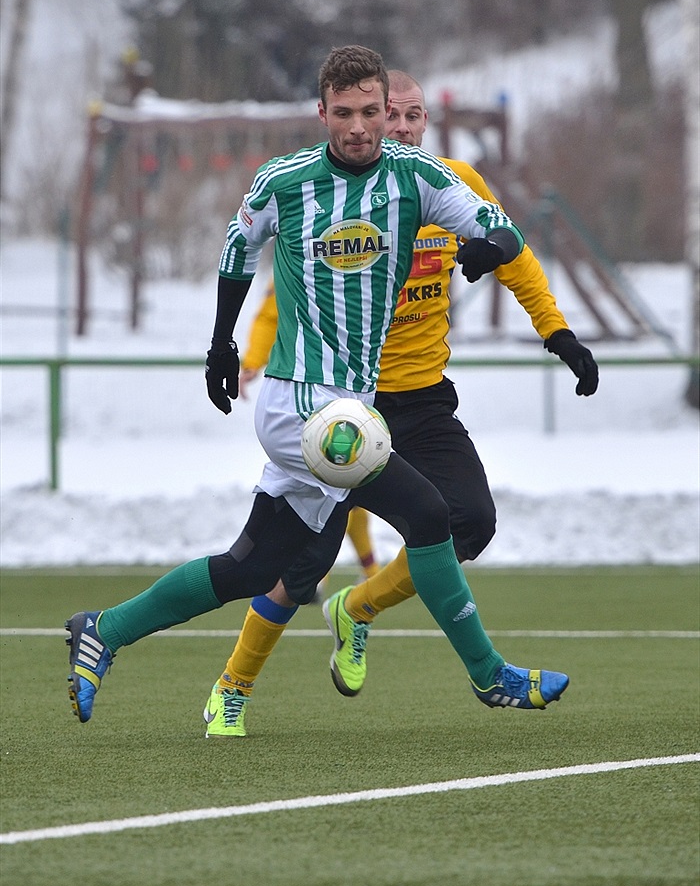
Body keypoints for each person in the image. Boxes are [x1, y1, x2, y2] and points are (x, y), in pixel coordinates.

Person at [65, 46, 572, 730]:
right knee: (428, 514)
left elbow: (496, 225)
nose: (361, 126)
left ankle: (104, 627)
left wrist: (491, 245)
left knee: (252, 567)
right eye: (346, 112)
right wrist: (222, 343)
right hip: (298, 402)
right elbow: (237, 247)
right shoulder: (286, 180)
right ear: (322, 111)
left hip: (350, 408)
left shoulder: (416, 176)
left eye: (372, 111)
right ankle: (490, 678)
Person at [201, 70, 598, 737]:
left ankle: (358, 607)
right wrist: (247, 356)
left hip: (420, 403)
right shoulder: (344, 193)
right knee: (300, 564)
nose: (406, 126)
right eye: (396, 115)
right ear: (371, 119)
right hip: (340, 406)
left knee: (469, 520)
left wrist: (555, 330)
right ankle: (232, 686)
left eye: (416, 115)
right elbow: (283, 293)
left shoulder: (446, 182)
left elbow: (516, 257)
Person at [239, 281, 379, 586]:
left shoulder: (383, 252)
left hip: (370, 390)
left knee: (351, 484)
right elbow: (269, 316)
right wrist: (252, 361)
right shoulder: (302, 253)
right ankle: (320, 573)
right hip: (310, 396)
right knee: (340, 480)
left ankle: (333, 573)